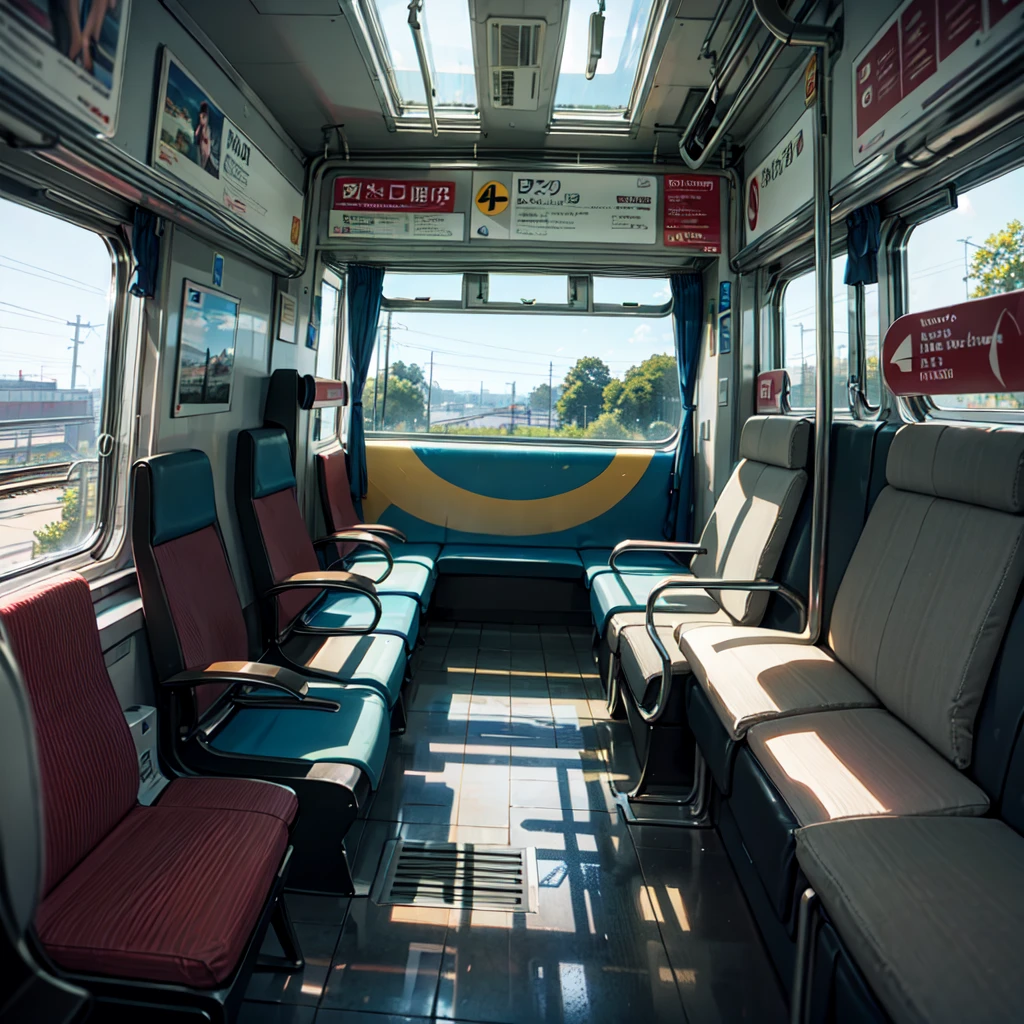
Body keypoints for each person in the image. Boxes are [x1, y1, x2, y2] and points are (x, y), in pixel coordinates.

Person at [195, 101, 212, 172]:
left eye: (204, 117)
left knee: (202, 163)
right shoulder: (201, 126)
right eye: (200, 117)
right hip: (200, 146)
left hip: (205, 149)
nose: (201, 119)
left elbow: (206, 139)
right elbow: (196, 134)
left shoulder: (207, 129)